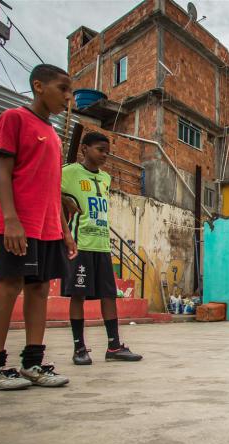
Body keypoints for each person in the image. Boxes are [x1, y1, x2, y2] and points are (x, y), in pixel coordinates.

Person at [0, 64, 77, 390]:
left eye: (70, 91)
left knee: (40, 289)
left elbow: (52, 186)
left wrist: (64, 228)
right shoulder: (14, 118)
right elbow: (2, 172)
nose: (68, 97)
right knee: (10, 284)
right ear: (38, 86)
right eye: (62, 89)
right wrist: (11, 220)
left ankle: (33, 363)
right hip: (19, 224)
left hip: (47, 227)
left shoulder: (54, 136)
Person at [61, 132, 143, 365]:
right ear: (84, 149)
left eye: (107, 151)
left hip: (102, 244)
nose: (105, 155)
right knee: (78, 295)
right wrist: (65, 224)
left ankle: (114, 347)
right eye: (100, 150)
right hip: (80, 244)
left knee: (108, 295)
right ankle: (79, 348)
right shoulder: (69, 172)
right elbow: (48, 191)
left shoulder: (105, 178)